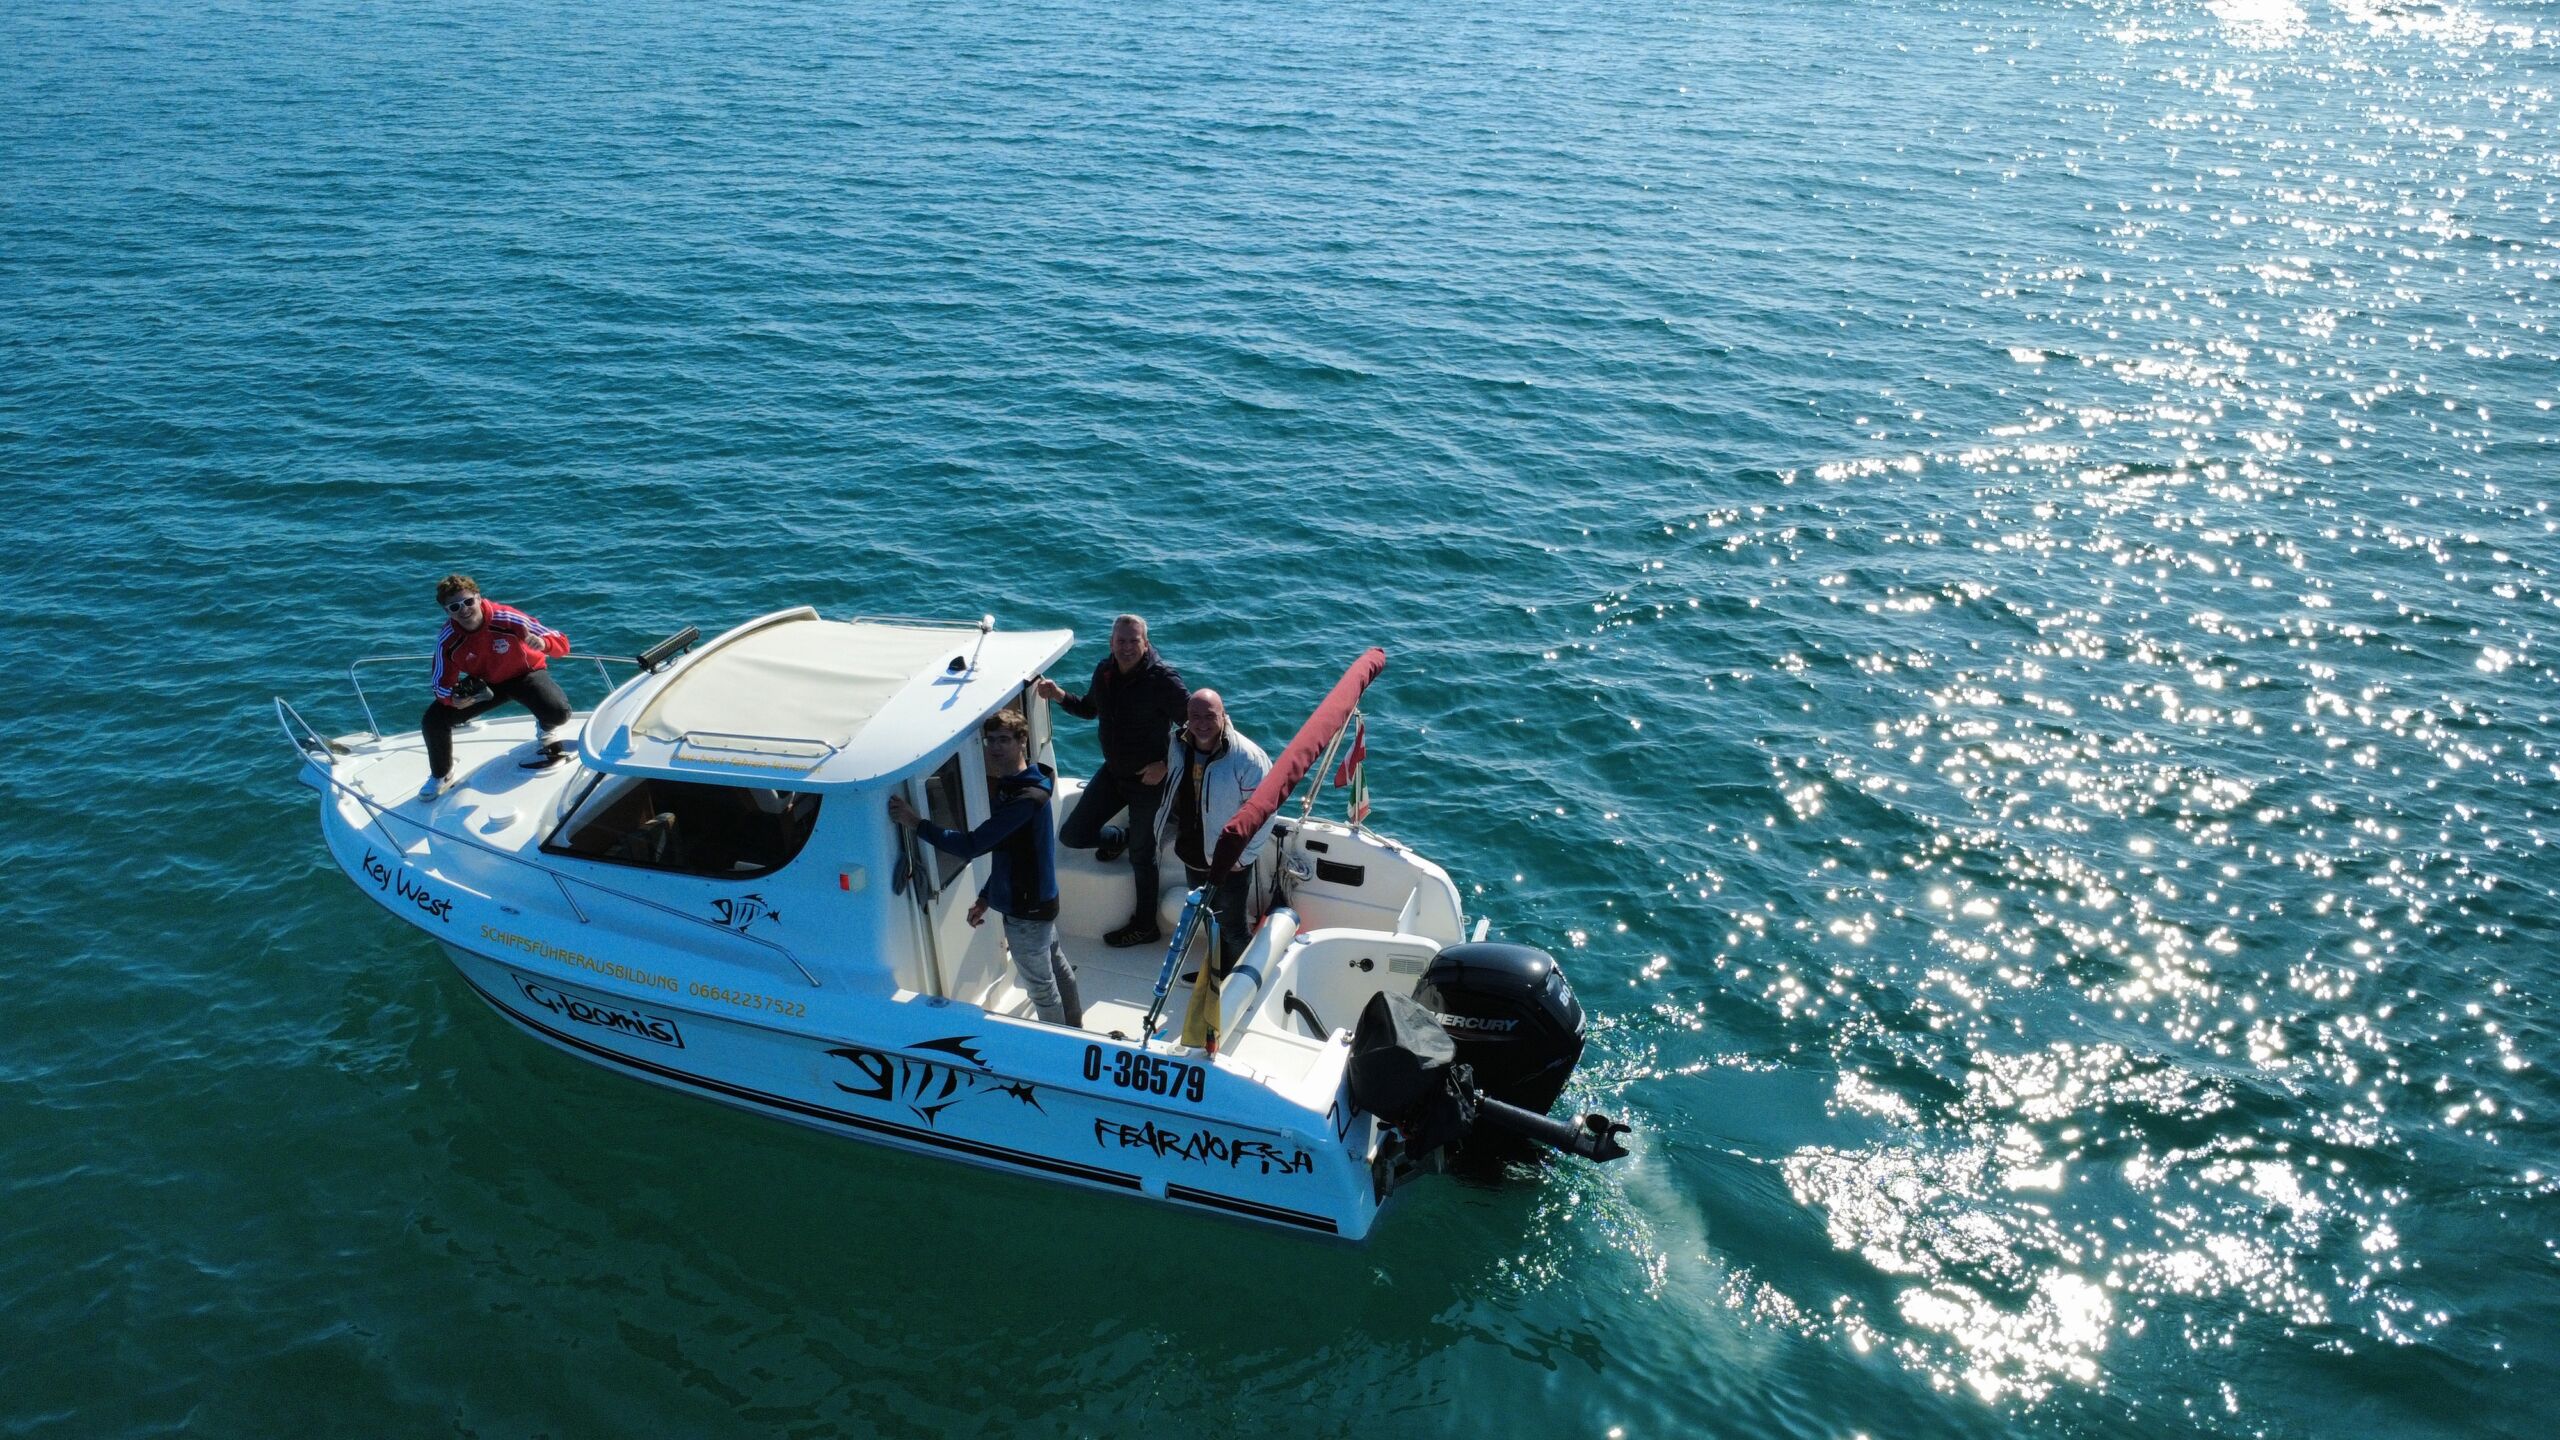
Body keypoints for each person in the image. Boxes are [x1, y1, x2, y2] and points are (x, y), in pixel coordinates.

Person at [888, 709, 1083, 1028]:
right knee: (1056, 966)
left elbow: (972, 845)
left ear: (1022, 741)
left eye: (1004, 740)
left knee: (1042, 989)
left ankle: (1060, 1048)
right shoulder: (1025, 783)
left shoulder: (1024, 798)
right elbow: (1013, 853)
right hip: (1039, 900)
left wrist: (915, 823)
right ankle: (1074, 1029)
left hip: (1026, 911)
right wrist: (985, 897)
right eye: (989, 740)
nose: (994, 747)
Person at [1035, 614, 1189, 947]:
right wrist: (1059, 695)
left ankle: (1145, 925)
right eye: (1121, 640)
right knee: (1073, 835)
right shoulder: (1105, 672)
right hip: (1114, 774)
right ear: (1111, 643)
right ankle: (1118, 838)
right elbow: (1090, 709)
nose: (1127, 647)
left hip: (1149, 781)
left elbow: (1196, 729)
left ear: (1146, 643)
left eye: (1134, 641)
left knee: (1142, 857)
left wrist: (1165, 764)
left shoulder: (1163, 680)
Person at [419, 574, 576, 801]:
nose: (463, 610)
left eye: (468, 602)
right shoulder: (448, 639)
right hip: (486, 685)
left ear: (479, 598)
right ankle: (441, 774)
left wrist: (544, 644)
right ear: (447, 611)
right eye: (454, 607)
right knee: (433, 720)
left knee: (559, 713)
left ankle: (545, 726)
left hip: (525, 675)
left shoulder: (508, 618)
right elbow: (439, 681)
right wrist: (451, 699)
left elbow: (561, 642)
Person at [1156, 688, 1273, 979]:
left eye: (1210, 716)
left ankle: (1245, 982)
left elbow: (1266, 813)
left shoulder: (1247, 758)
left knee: (1232, 926)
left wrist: (1242, 857)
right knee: (1207, 917)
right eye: (1194, 716)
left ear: (1223, 715)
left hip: (1229, 858)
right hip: (1191, 851)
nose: (1202, 723)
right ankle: (1216, 973)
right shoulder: (1178, 742)